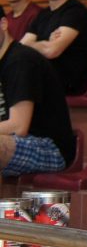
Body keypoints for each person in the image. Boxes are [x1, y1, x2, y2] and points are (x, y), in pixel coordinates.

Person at [0, 17, 77, 177]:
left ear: (3, 24)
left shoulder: (21, 60)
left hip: (48, 148)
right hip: (13, 142)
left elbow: (18, 127)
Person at [21, 0, 87, 95]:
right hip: (42, 78)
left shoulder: (75, 12)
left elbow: (52, 51)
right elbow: (21, 47)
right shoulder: (42, 15)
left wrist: (36, 44)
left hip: (67, 82)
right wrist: (44, 44)